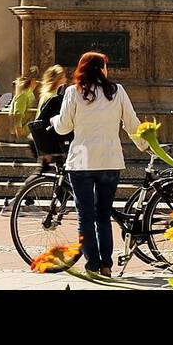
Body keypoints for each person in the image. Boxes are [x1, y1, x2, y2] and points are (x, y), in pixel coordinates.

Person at [53, 51, 141, 276]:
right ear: (102, 69)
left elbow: (63, 128)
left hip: (81, 160)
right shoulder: (117, 91)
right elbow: (132, 123)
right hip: (110, 159)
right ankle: (106, 264)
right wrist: (145, 145)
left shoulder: (74, 92)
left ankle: (92, 264)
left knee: (85, 216)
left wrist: (53, 120)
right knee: (103, 214)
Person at [29, 64, 73, 164]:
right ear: (58, 79)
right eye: (63, 77)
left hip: (42, 136)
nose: (66, 79)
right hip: (47, 138)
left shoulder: (47, 94)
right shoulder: (53, 97)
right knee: (48, 167)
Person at [10, 75, 37, 141]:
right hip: (24, 133)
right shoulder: (23, 94)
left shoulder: (29, 93)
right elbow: (18, 115)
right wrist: (20, 136)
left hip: (29, 132)